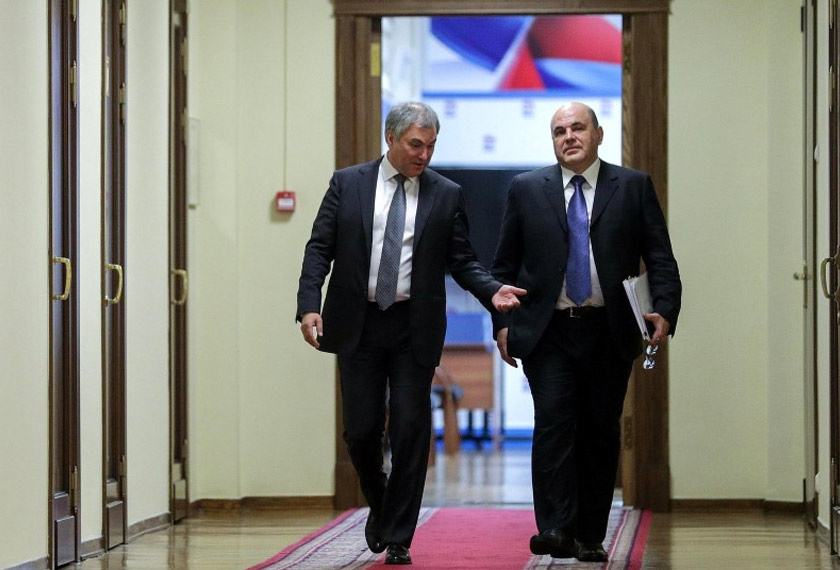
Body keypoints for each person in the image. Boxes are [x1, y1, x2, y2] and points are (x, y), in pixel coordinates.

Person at [296, 101, 526, 566]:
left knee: (410, 429)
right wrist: (308, 305)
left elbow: (462, 261)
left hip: (412, 327)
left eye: (431, 146)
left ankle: (399, 534)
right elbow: (320, 248)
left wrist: (491, 292)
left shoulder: (446, 193)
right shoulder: (348, 183)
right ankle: (382, 504)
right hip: (358, 323)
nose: (424, 155)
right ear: (391, 138)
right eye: (415, 144)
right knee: (362, 431)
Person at [491, 102, 681, 562]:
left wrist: (664, 309)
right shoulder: (526, 188)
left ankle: (590, 534)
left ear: (598, 134)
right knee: (553, 423)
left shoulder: (632, 186)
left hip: (608, 330)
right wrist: (503, 323)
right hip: (548, 330)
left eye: (578, 128)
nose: (569, 137)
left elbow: (659, 256)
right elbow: (503, 266)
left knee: (599, 430)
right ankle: (555, 528)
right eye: (559, 131)